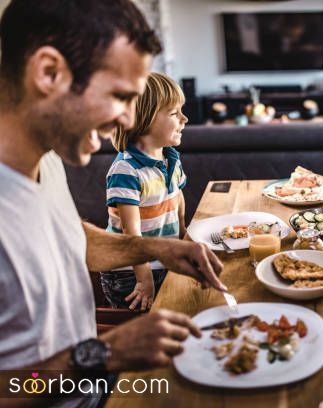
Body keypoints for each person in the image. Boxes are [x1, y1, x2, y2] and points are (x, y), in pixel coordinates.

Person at [0, 0, 227, 405]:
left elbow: (66, 239)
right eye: (120, 96)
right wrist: (107, 353)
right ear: (48, 73)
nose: (127, 120)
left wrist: (156, 246)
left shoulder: (46, 158)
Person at [100, 72, 189, 310]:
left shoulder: (170, 157)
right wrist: (144, 278)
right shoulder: (126, 170)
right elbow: (132, 233)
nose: (185, 119)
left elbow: (176, 197)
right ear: (144, 119)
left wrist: (183, 234)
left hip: (162, 261)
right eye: (174, 113)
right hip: (130, 273)